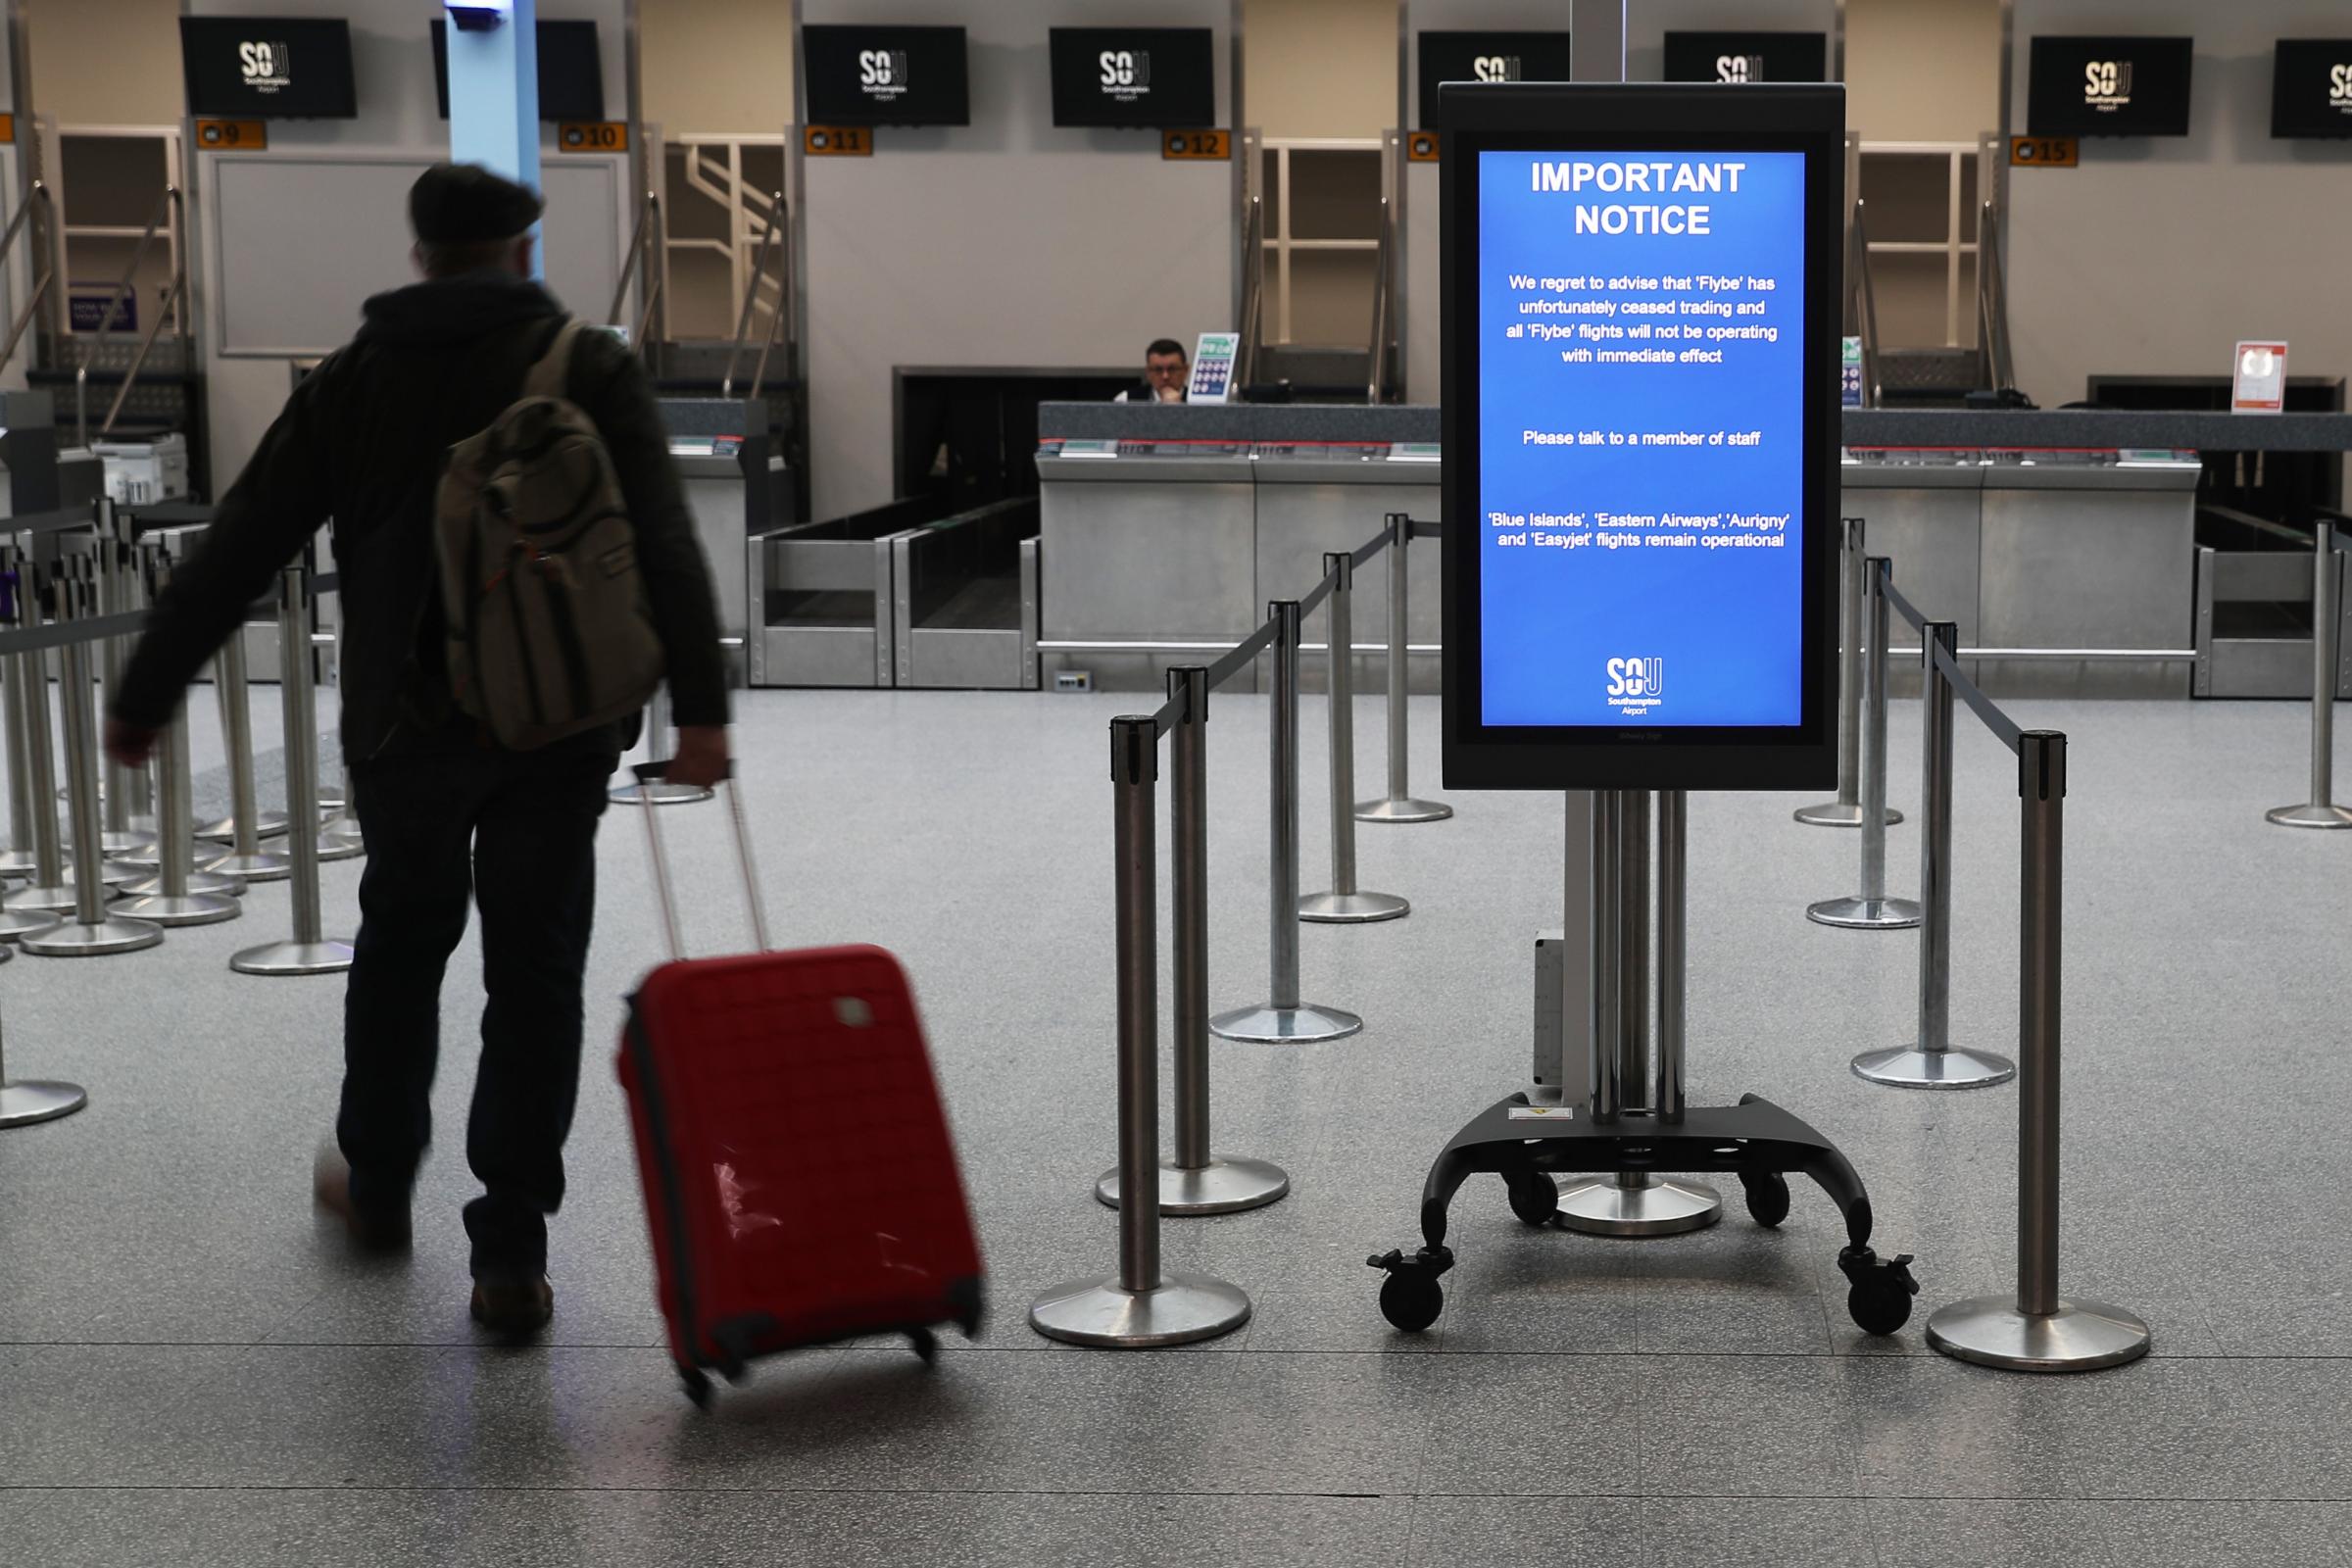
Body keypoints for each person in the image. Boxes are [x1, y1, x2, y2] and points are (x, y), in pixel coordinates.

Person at [105, 164, 731, 1339]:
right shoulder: (587, 367)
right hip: (557, 729)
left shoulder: (357, 377)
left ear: (422, 255)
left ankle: (380, 1184)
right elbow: (664, 544)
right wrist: (703, 713)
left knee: (400, 943)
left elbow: (246, 539)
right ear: (521, 252)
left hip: (406, 730)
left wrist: (147, 689)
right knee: (536, 972)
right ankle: (509, 1251)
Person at [1117, 337, 1190, 403]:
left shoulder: (1199, 401)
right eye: (1158, 370)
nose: (1165, 376)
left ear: (1185, 370)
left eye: (1172, 369)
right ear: (1148, 372)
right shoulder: (1126, 400)